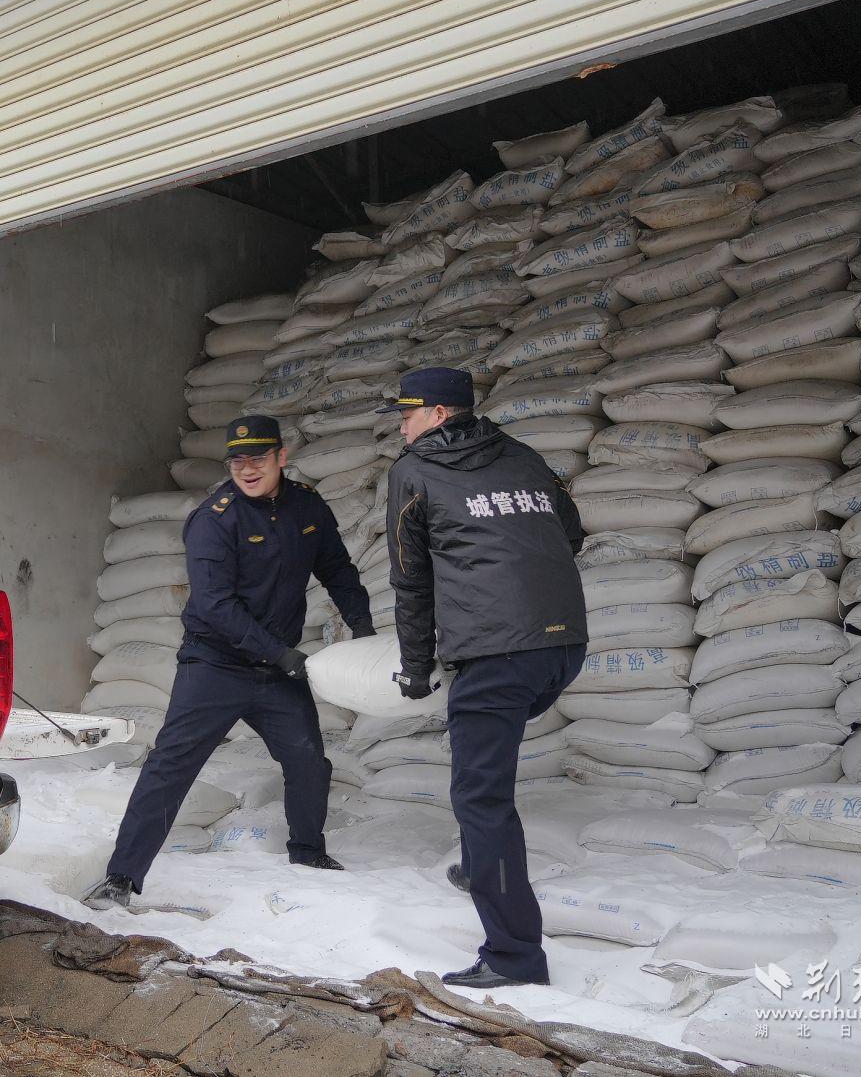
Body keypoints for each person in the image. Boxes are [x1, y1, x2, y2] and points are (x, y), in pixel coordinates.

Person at [84, 415, 374, 909]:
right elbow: (216, 606)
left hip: (276, 669)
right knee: (171, 765)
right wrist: (282, 653)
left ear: (281, 457)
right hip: (215, 664)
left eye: (258, 458)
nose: (248, 469)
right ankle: (121, 878)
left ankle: (308, 852)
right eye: (237, 461)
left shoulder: (307, 506)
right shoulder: (215, 520)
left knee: (308, 759)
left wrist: (363, 631)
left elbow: (337, 570)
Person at [380, 366, 587, 990]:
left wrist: (416, 667)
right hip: (562, 647)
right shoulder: (524, 455)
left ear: (439, 414)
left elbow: (410, 580)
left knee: (481, 797)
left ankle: (514, 956)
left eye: (408, 415)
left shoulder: (413, 471)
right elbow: (570, 532)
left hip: (497, 656)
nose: (402, 427)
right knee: (482, 766)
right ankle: (478, 868)